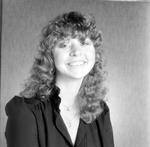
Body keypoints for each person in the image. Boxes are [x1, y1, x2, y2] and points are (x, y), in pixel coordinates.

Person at [5, 11, 114, 147]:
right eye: (64, 45)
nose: (76, 51)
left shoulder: (101, 111)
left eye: (84, 43)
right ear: (50, 56)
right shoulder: (26, 111)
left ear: (95, 53)